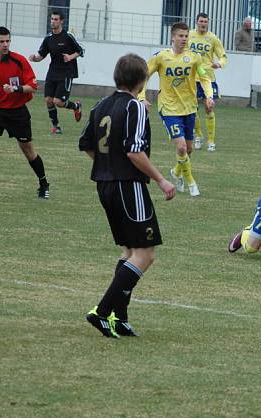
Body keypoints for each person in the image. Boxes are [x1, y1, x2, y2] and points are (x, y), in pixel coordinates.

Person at [80, 53, 176, 338]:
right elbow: (134, 150)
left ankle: (119, 317)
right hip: (128, 185)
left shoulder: (101, 105)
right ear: (142, 80)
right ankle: (102, 311)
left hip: (105, 185)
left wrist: (107, 165)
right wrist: (160, 180)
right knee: (145, 254)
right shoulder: (135, 106)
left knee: (130, 252)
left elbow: (85, 143)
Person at [0, 26, 49, 199]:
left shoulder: (19, 61)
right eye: (1, 41)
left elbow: (33, 87)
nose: (5, 44)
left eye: (8, 41)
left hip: (18, 113)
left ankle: (44, 184)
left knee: (29, 152)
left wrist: (16, 89)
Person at [138, 22, 213, 197]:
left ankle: (177, 173)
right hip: (169, 109)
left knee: (189, 149)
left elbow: (204, 77)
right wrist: (141, 98)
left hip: (189, 108)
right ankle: (192, 183)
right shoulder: (161, 57)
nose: (184, 39)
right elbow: (144, 76)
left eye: (186, 36)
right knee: (181, 148)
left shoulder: (195, 57)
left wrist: (208, 96)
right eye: (180, 36)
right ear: (173, 37)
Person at [28, 10, 84, 134]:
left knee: (58, 102)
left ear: (61, 21)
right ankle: (56, 126)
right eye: (52, 19)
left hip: (67, 73)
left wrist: (70, 57)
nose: (53, 21)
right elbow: (41, 54)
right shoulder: (48, 38)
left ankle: (76, 106)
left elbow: (80, 51)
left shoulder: (68, 36)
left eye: (56, 19)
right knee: (48, 100)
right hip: (53, 72)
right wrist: (34, 58)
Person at [188, 12, 227, 152]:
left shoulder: (213, 38)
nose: (203, 24)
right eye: (201, 21)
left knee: (209, 107)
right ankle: (198, 136)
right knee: (193, 108)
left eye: (205, 21)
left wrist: (219, 64)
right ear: (197, 22)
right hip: (192, 77)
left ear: (208, 23)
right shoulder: (190, 35)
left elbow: (223, 56)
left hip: (208, 78)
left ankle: (211, 141)